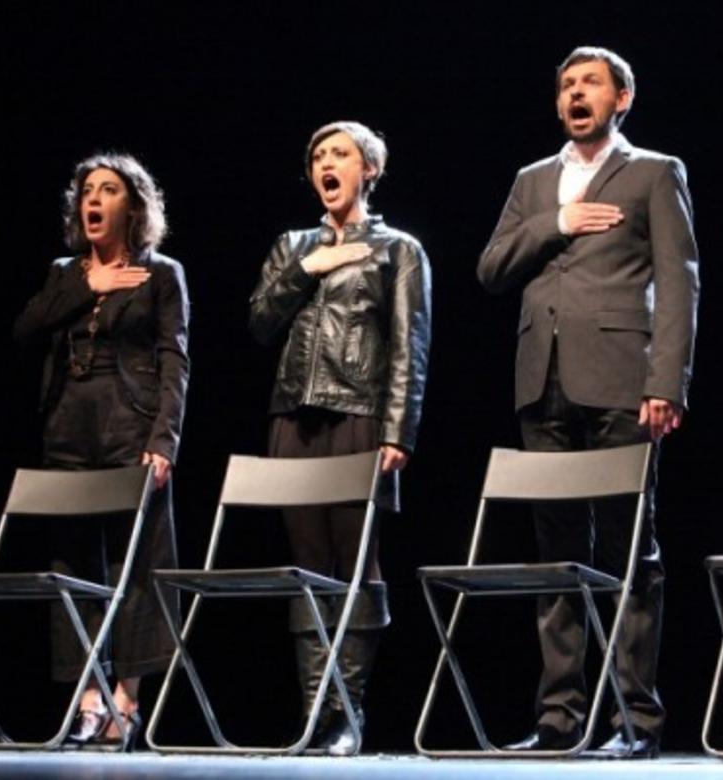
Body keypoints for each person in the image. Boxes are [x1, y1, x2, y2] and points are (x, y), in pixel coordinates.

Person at [478, 46, 699, 758]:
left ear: (621, 98)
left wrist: (667, 381)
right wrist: (559, 222)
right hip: (541, 382)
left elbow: (679, 281)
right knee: (557, 552)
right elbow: (491, 268)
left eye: (591, 83)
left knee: (632, 547)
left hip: (622, 379)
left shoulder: (654, 171)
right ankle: (559, 718)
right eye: (567, 85)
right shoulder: (532, 180)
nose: (576, 93)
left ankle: (634, 719)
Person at [249, 120, 432, 756]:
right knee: (307, 567)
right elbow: (260, 321)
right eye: (318, 156)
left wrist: (398, 429)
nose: (327, 164)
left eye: (341, 154)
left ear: (368, 169)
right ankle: (316, 713)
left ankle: (347, 712)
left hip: (360, 413)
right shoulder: (292, 245)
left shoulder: (398, 249)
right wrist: (308, 267)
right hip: (293, 415)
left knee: (356, 562)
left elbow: (410, 345)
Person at [13, 153, 190, 748]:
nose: (93, 198)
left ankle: (127, 698)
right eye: (87, 189)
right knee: (72, 563)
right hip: (67, 428)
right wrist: (86, 287)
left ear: (131, 206)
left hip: (130, 426)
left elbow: (175, 361)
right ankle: (88, 696)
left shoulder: (160, 273)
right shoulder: (65, 272)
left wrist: (164, 438)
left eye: (108, 189)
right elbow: (26, 329)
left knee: (136, 562)